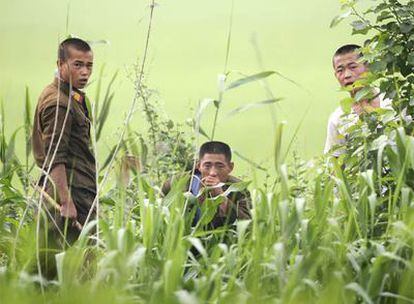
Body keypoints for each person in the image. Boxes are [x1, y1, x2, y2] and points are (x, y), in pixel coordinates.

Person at [32, 37, 96, 246]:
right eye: (77, 65)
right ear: (60, 64)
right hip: (69, 195)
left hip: (74, 192)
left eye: (89, 66)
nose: (85, 72)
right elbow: (55, 157)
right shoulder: (59, 104)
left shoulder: (68, 97)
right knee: (79, 265)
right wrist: (67, 202)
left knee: (52, 265)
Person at [162, 141, 251, 228]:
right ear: (199, 166)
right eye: (207, 166)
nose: (212, 173)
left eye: (220, 166)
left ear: (230, 167)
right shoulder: (177, 183)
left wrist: (221, 198)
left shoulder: (238, 189)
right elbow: (158, 212)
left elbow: (246, 225)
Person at [324, 44, 391, 157]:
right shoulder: (338, 119)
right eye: (340, 70)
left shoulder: (392, 102)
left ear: (368, 68)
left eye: (353, 67)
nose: (347, 75)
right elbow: (335, 166)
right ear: (336, 76)